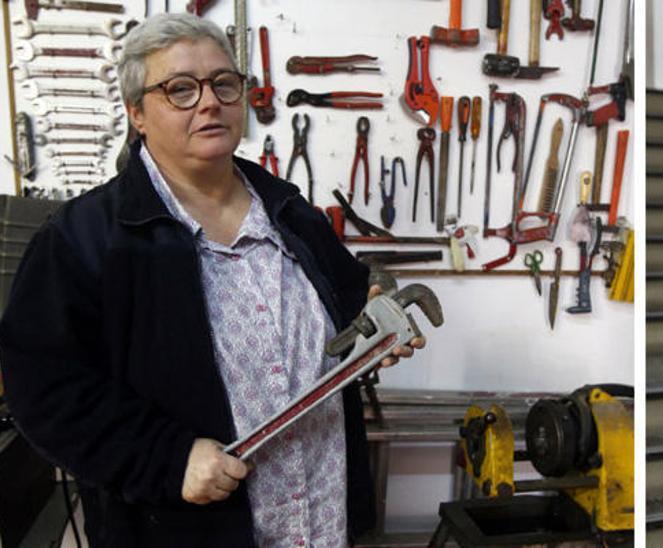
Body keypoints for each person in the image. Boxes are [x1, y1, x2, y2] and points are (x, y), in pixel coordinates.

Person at [0, 13, 423, 548]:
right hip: (185, 530)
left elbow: (350, 295)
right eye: (180, 89)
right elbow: (44, 389)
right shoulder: (83, 239)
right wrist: (165, 458)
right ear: (137, 113)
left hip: (321, 520)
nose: (209, 102)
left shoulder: (290, 212)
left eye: (224, 83)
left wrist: (374, 320)